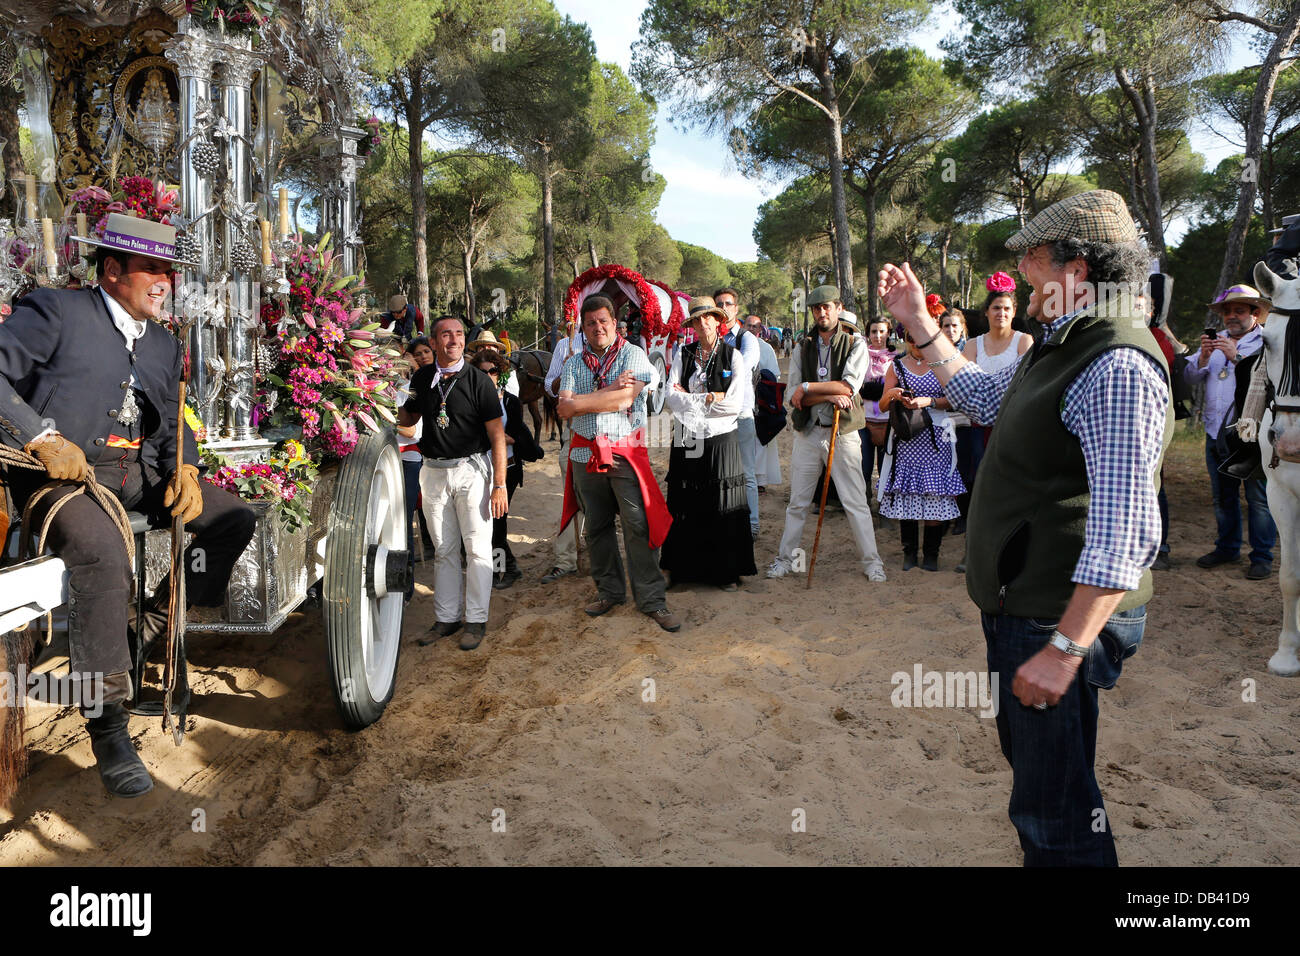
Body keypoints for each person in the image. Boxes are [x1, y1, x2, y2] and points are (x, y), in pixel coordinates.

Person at [878, 188, 1172, 867]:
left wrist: (1066, 648)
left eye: (1036, 259)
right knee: (1046, 790)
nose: (1024, 278)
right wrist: (921, 325)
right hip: (1033, 608)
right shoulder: (1070, 342)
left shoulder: (1117, 364)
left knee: (1053, 813)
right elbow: (983, 397)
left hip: (1053, 617)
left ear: (1080, 270)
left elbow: (1127, 530)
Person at [0, 213, 257, 797]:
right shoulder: (56, 311)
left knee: (233, 520)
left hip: (137, 476)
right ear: (112, 271)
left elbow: (171, 419)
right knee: (102, 555)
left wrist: (184, 466)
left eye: (170, 270)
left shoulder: (164, 342)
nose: (165, 280)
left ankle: (150, 626)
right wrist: (41, 437)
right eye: (152, 268)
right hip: (58, 479)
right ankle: (108, 723)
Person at [557, 295, 681, 632]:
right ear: (583, 328)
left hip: (624, 454)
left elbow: (627, 399)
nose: (597, 327)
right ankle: (610, 591)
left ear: (615, 324)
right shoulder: (572, 364)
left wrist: (594, 400)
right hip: (584, 455)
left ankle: (652, 600)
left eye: (603, 321)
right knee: (596, 527)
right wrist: (610, 391)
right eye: (590, 323)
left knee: (637, 526)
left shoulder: (634, 355)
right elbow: (563, 409)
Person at [399, 315, 509, 651]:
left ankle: (475, 620)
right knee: (444, 550)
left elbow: (497, 435)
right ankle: (446, 618)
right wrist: (380, 398)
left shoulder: (479, 380)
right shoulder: (422, 377)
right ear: (433, 343)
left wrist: (500, 484)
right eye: (446, 335)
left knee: (476, 550)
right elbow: (408, 419)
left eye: (459, 334)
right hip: (432, 472)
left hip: (471, 471)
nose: (454, 340)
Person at [767, 285, 886, 582]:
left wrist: (809, 388)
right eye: (817, 308)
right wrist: (825, 394)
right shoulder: (802, 347)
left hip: (842, 433)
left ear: (838, 307)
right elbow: (791, 396)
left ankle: (872, 563)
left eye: (827, 307)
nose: (822, 312)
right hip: (808, 433)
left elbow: (848, 387)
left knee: (855, 502)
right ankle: (788, 561)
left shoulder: (855, 343)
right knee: (798, 503)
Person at [660, 297, 756, 590]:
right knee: (685, 500)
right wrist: (711, 397)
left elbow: (734, 404)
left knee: (723, 501)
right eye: (696, 320)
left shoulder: (732, 356)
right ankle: (683, 570)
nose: (703, 324)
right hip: (689, 435)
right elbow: (670, 398)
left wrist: (692, 400)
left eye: (707, 318)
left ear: (717, 320)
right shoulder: (683, 354)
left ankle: (726, 572)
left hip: (721, 436)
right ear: (691, 325)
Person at [1184, 284, 1277, 579]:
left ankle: (1262, 556)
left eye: (1239, 310)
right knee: (1222, 496)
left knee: (1258, 498)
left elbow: (1269, 381)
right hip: (1216, 432)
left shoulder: (1268, 341)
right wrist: (1201, 359)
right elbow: (1190, 378)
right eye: (1227, 312)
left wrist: (1236, 357)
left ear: (1256, 313)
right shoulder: (1215, 341)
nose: (1232, 317)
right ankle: (1227, 547)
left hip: (1252, 433)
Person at [878, 329, 965, 571]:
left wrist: (930, 401)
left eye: (920, 339)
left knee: (934, 496)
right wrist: (894, 395)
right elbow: (883, 405)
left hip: (937, 436)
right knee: (908, 496)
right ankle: (909, 553)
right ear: (905, 340)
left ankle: (931, 555)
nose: (916, 344)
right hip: (908, 438)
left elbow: (955, 399)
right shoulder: (896, 366)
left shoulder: (942, 364)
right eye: (911, 340)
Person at [470, 346, 538, 590]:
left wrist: (499, 437)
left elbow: (516, 434)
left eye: (493, 371)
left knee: (497, 522)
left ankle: (504, 570)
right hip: (479, 469)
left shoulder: (511, 401)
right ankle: (503, 566)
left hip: (507, 469)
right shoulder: (471, 402)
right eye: (483, 371)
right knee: (483, 522)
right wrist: (497, 436)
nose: (489, 375)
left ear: (500, 373)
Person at [714, 288, 761, 539]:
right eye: (719, 303)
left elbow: (741, 369)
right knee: (721, 472)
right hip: (715, 417)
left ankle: (752, 525)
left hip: (741, 413)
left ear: (736, 308)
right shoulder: (711, 338)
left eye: (728, 303)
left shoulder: (747, 339)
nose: (724, 307)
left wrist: (718, 372)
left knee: (746, 473)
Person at [397, 337, 435, 597]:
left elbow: (411, 431)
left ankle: (406, 587)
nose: (421, 357)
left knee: (403, 522)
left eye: (425, 352)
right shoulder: (398, 387)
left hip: (410, 461)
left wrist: (380, 419)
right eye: (416, 354)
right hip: (389, 459)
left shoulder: (419, 387)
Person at [941, 306, 976, 544]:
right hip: (940, 418)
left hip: (966, 419)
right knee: (944, 469)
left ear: (962, 327)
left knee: (966, 469)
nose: (951, 330)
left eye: (955, 325)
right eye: (946, 326)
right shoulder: (934, 353)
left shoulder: (971, 350)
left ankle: (965, 516)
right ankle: (946, 516)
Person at [859, 316, 896, 512]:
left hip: (888, 421)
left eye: (882, 331)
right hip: (864, 421)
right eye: (874, 331)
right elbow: (857, 386)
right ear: (868, 333)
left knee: (885, 468)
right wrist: (878, 390)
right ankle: (864, 506)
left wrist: (872, 390)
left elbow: (895, 388)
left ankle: (884, 508)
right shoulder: (860, 354)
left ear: (888, 333)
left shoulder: (896, 357)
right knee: (864, 467)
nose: (878, 335)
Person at [746, 315, 783, 490]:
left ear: (760, 330)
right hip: (742, 400)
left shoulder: (766, 349)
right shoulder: (737, 345)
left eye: (755, 326)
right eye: (749, 325)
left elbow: (774, 375)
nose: (752, 329)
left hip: (761, 401)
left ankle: (760, 481)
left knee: (760, 439)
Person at [466, 329, 520, 398]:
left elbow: (513, 397)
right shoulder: (470, 372)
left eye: (490, 346)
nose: (486, 349)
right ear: (477, 351)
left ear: (497, 350)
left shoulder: (509, 372)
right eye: (482, 347)